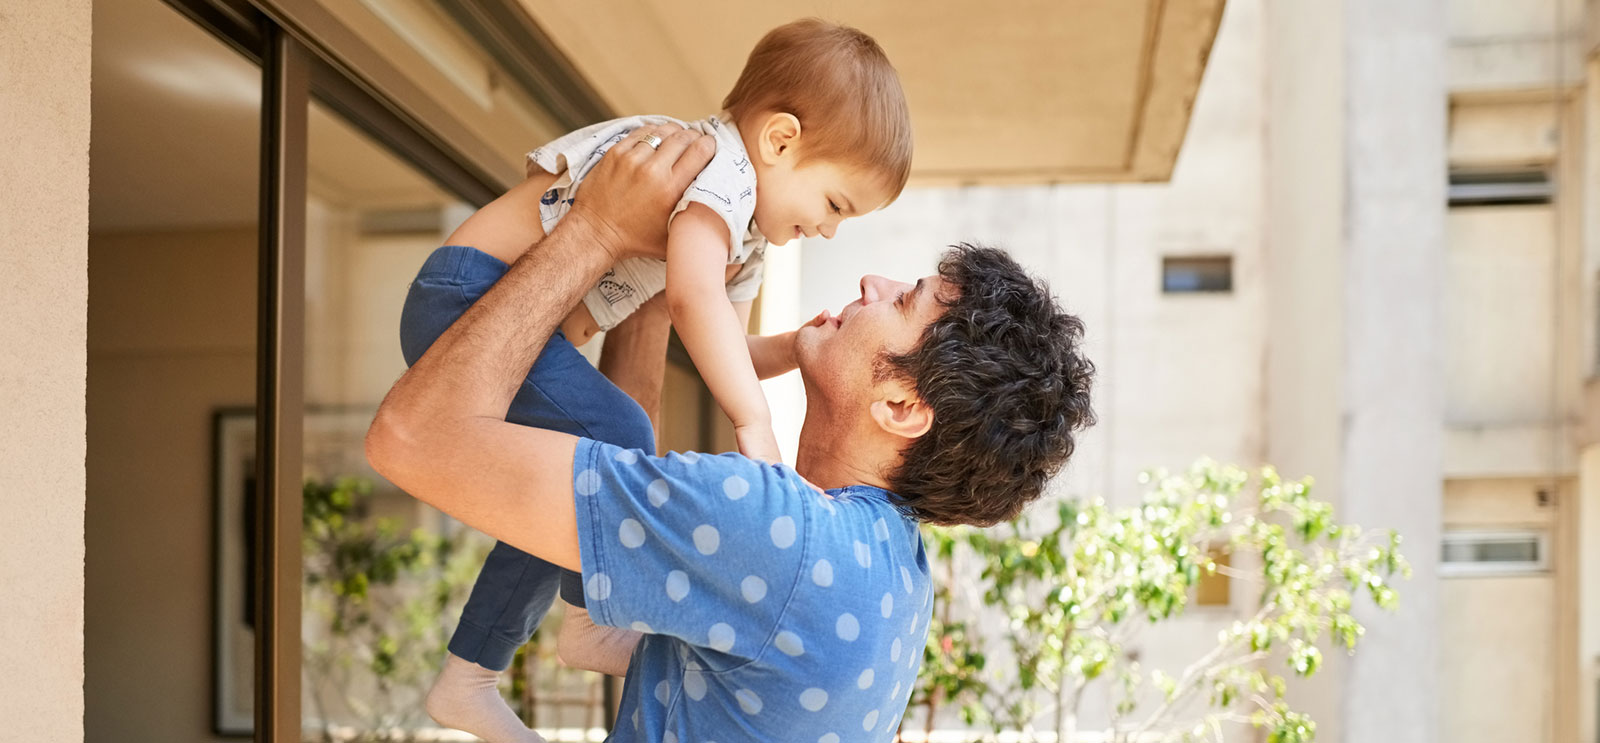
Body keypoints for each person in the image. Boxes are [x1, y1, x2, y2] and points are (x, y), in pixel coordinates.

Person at [367, 123, 1095, 742]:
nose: (871, 280)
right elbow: (624, 434)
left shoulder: (775, 535)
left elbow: (410, 436)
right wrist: (668, 272)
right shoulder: (893, 574)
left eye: (904, 300)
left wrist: (594, 230)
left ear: (904, 405)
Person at [405, 19, 914, 743]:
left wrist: (797, 349)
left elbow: (724, 343)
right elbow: (690, 300)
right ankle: (568, 627)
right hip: (463, 296)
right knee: (618, 435)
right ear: (779, 142)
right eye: (834, 204)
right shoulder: (715, 170)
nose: (830, 231)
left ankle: (476, 670)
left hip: (517, 328)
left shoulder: (747, 232)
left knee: (581, 465)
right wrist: (754, 422)